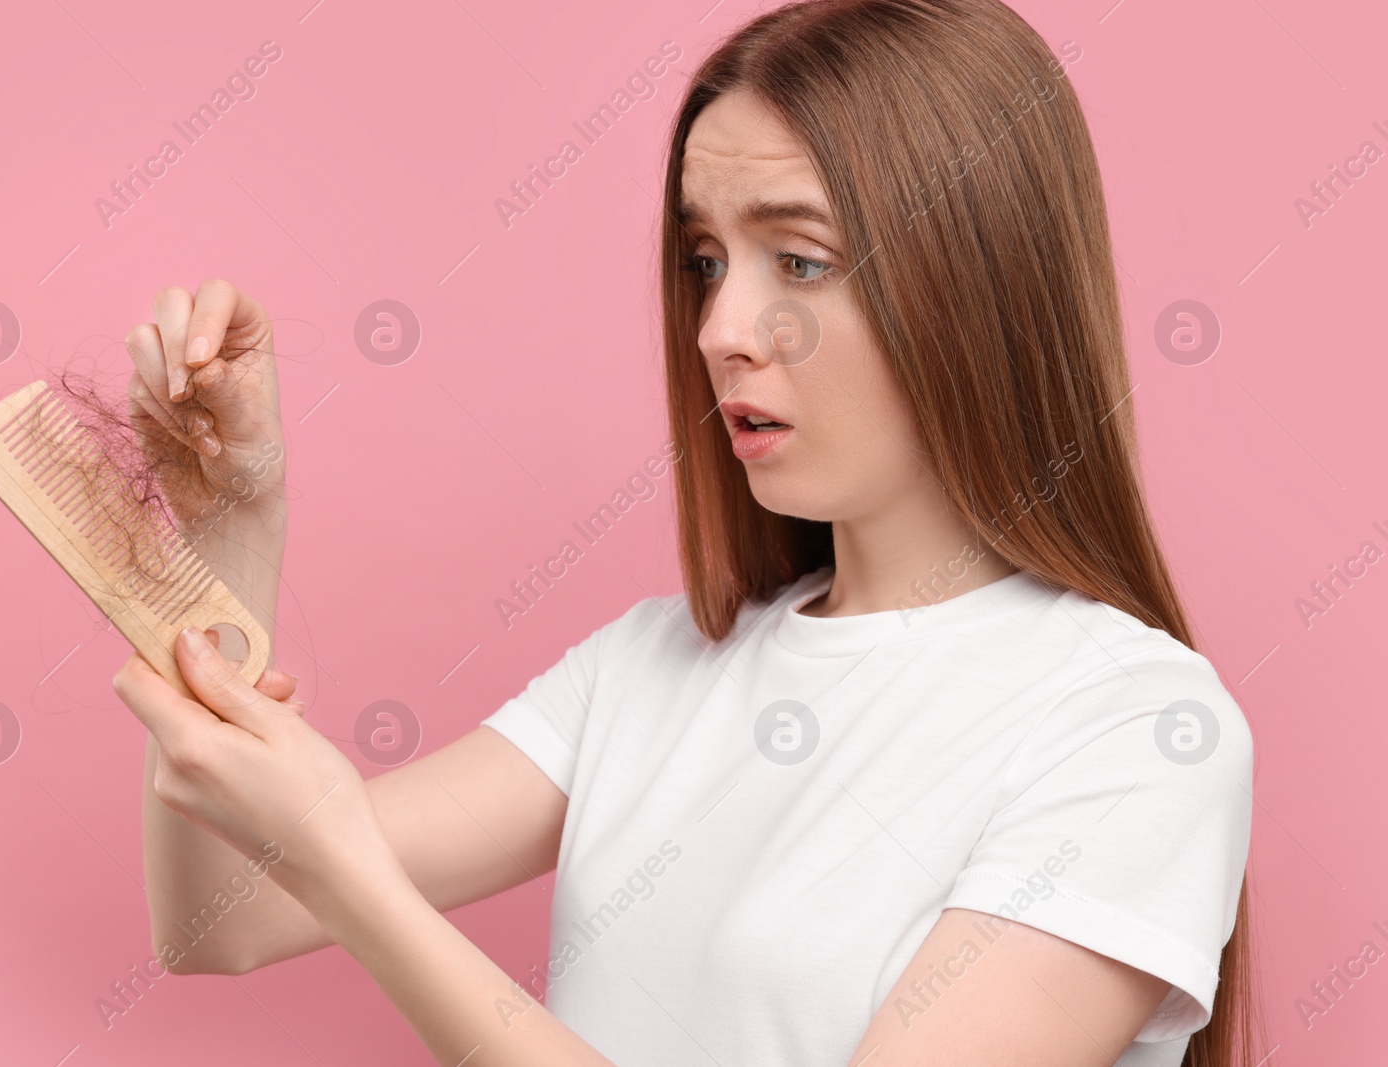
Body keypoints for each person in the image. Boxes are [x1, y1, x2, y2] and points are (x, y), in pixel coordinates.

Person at [110, 1, 1259, 1064]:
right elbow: (226, 915)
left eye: (798, 260)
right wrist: (230, 530)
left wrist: (348, 869)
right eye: (705, 259)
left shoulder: (1134, 729)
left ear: (978, 282)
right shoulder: (648, 667)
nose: (718, 329)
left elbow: (319, 873)